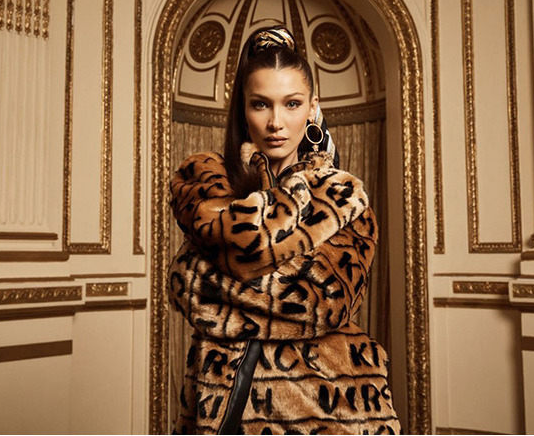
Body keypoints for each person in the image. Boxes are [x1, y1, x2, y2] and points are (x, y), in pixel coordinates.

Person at [168, 26, 401, 435]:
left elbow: (322, 305)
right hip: (217, 406)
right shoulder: (210, 181)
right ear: (243, 110)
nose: (276, 122)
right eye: (261, 104)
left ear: (312, 108)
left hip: (323, 407)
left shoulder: (342, 196)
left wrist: (216, 282)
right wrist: (277, 277)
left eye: (292, 104)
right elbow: (183, 282)